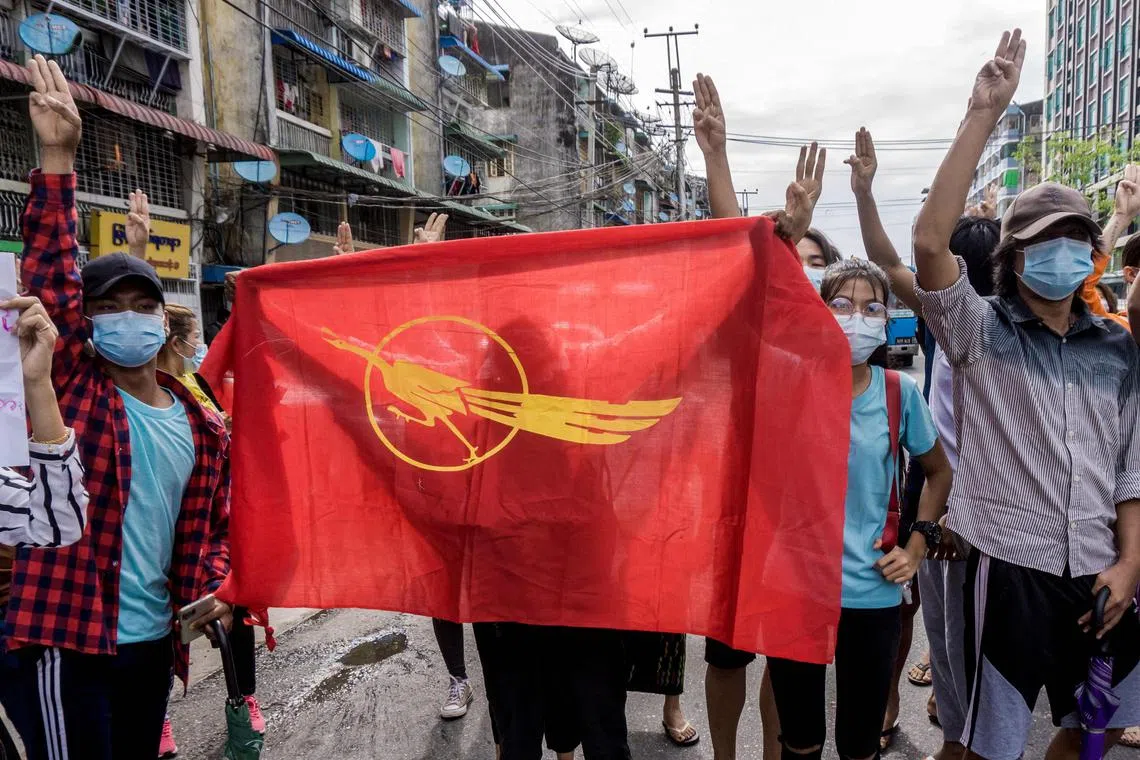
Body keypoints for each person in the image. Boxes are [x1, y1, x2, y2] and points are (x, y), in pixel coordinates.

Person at [913, 30, 1140, 760]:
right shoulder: (979, 334)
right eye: (1046, 239)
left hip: (1102, 573)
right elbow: (926, 248)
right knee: (986, 743)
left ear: (1093, 257)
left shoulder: (1118, 348)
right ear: (1013, 258)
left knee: (1089, 730)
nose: (1064, 251)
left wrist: (1132, 563)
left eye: (1077, 238)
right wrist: (980, 116)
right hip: (1004, 571)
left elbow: (1132, 471)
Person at [0, 56, 232, 760]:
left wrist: (219, 583)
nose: (126, 320)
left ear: (163, 323)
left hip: (152, 642)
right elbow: (49, 272)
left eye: (142, 308)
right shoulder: (76, 388)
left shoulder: (199, 422)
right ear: (85, 324)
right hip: (67, 637)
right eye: (107, 309)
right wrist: (57, 155)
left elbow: (213, 523)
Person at [849, 126, 1002, 758]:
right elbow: (891, 261)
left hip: (1007, 517)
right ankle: (949, 720)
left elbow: (892, 260)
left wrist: (865, 195)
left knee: (979, 642)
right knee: (939, 627)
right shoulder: (950, 317)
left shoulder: (1034, 326)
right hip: (946, 509)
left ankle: (960, 726)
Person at [764, 257, 953, 760]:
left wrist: (917, 546)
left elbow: (939, 472)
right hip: (795, 589)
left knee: (859, 743)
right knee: (799, 740)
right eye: (843, 305)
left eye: (873, 308)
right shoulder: (785, 383)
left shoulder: (899, 392)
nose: (858, 317)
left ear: (887, 322)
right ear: (819, 311)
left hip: (873, 591)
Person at [691, 71, 829, 760]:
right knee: (726, 659)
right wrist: (716, 155)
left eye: (810, 263)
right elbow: (735, 257)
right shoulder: (747, 331)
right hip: (732, 517)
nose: (794, 270)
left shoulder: (828, 348)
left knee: (786, 652)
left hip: (799, 524)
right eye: (787, 259)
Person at [155, 301, 262, 755]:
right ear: (174, 341)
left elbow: (221, 432)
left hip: (212, 518)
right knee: (157, 624)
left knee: (231, 609)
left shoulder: (198, 385)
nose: (198, 346)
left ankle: (245, 698)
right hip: (163, 523)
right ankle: (157, 717)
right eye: (193, 336)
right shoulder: (139, 389)